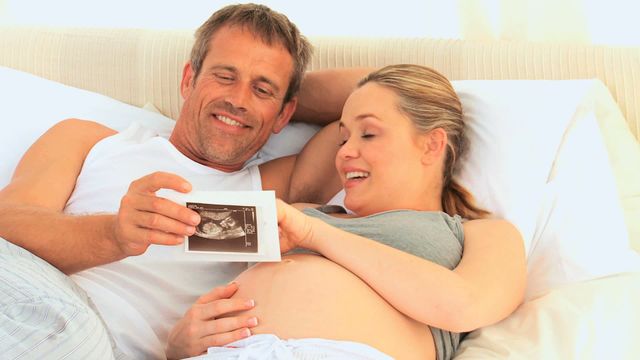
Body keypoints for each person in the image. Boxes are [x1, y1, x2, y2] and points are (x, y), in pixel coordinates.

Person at [0, 3, 348, 359]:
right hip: (28, 297)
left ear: (285, 113)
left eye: (261, 90)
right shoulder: (87, 140)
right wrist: (114, 235)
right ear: (188, 80)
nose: (236, 100)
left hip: (97, 346)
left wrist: (288, 95)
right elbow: (7, 222)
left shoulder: (274, 190)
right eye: (225, 77)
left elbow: (388, 102)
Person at [170, 65, 527, 359]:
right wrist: (179, 347)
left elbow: (462, 306)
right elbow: (285, 95)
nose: (343, 154)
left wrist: (315, 235)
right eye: (342, 139)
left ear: (432, 144)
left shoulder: (482, 233)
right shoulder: (301, 213)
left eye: (368, 134)